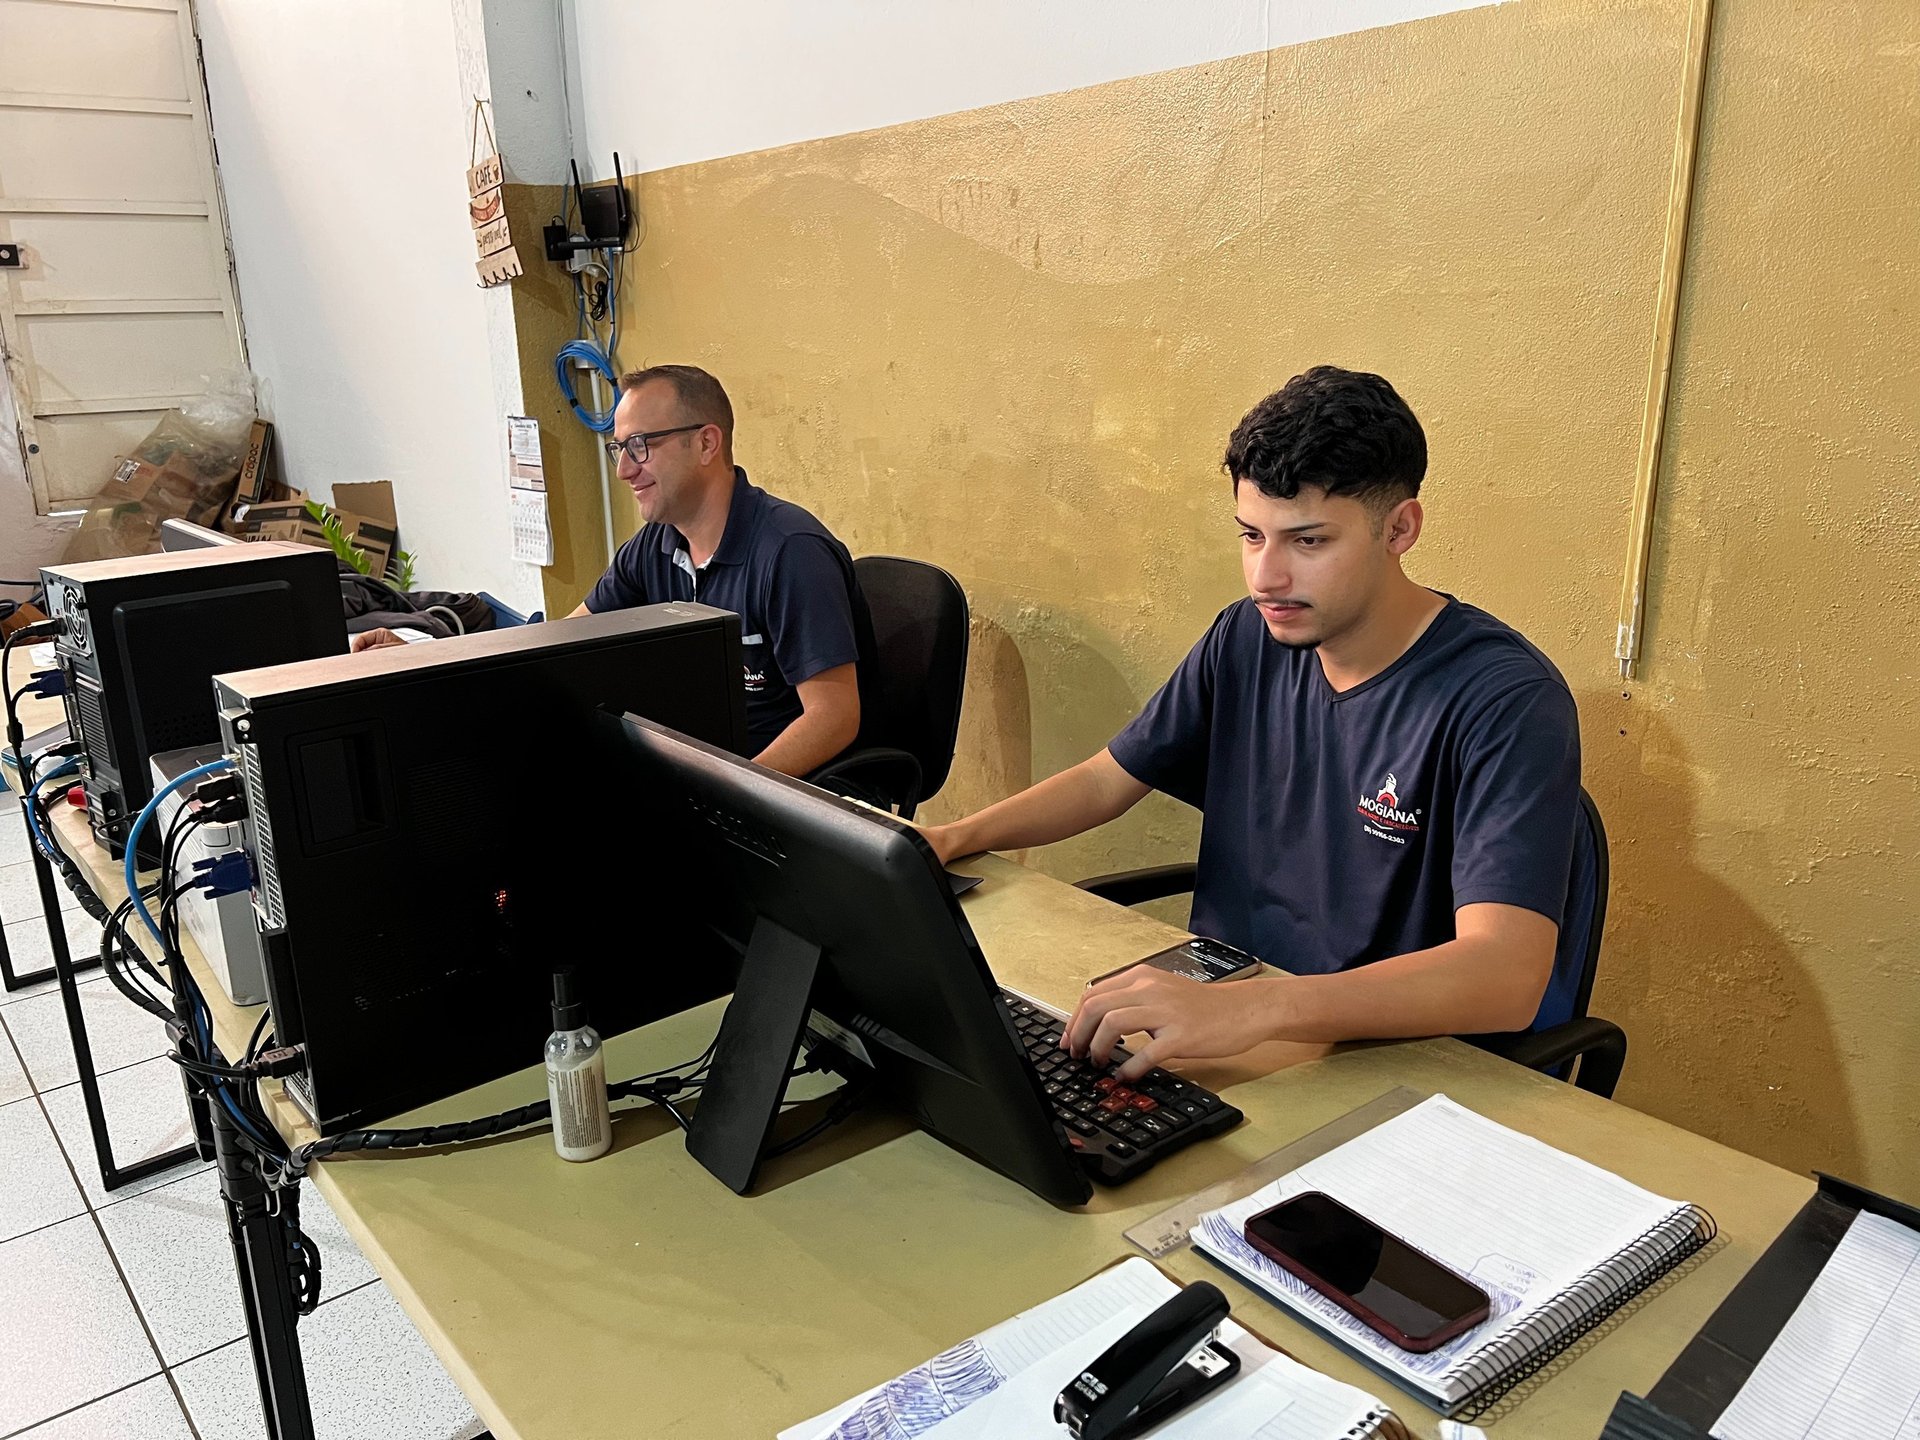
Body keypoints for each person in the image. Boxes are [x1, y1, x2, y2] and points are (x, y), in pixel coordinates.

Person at [923, 366, 1583, 1081]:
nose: (1266, 577)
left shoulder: (1507, 699)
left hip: (1388, 1056)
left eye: (1308, 542)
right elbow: (1106, 780)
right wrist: (948, 840)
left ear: (1400, 529)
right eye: (1251, 536)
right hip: (1233, 1006)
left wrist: (1258, 1007)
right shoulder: (1247, 636)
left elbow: (1505, 976)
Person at [565, 364, 868, 777]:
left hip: (788, 785)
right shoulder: (655, 544)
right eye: (619, 449)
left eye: (639, 445)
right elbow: (568, 645)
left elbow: (834, 718)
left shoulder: (790, 551)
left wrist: (724, 793)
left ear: (706, 443)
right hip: (702, 768)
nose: (624, 470)